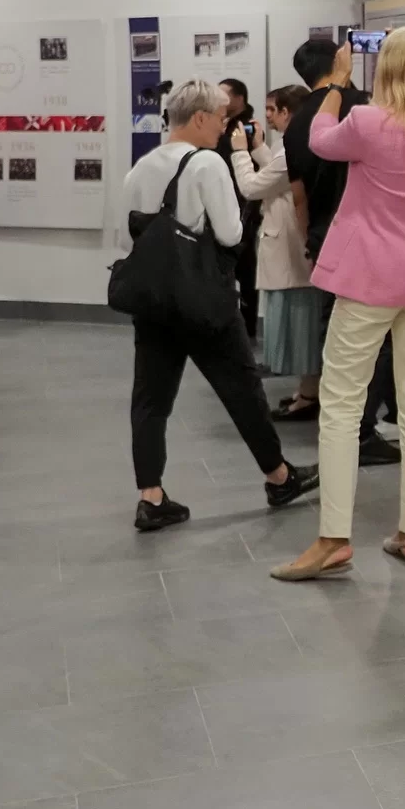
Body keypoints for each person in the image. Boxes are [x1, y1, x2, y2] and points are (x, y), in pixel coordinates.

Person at [273, 29, 405, 580]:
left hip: (368, 280)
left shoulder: (365, 123)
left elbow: (317, 138)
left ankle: (333, 538)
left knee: (341, 404)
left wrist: (338, 83)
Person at [122, 79, 319, 531]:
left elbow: (126, 234)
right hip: (203, 298)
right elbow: (230, 233)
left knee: (150, 399)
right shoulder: (206, 163)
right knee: (241, 389)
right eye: (219, 117)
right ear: (199, 118)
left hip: (153, 300)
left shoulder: (140, 168)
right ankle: (279, 477)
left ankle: (151, 496)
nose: (224, 126)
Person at [285, 37, 400, 465]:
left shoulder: (297, 123)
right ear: (339, 60)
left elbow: (299, 197)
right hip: (371, 238)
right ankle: (362, 430)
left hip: (325, 238)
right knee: (378, 338)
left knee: (335, 336)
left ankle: (340, 424)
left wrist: (310, 242)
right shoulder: (365, 107)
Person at [229, 85, 317, 420]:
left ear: (286, 112)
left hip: (291, 251)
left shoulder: (292, 148)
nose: (266, 117)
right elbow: (280, 175)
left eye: (271, 110)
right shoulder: (293, 144)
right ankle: (307, 391)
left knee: (301, 328)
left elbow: (252, 186)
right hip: (291, 248)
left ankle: (309, 395)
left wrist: (240, 153)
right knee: (302, 326)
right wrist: (259, 148)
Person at [218, 77, 261, 340]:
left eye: (224, 95)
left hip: (244, 207)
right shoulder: (220, 124)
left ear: (239, 98)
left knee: (244, 269)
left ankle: (247, 328)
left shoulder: (246, 127)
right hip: (221, 202)